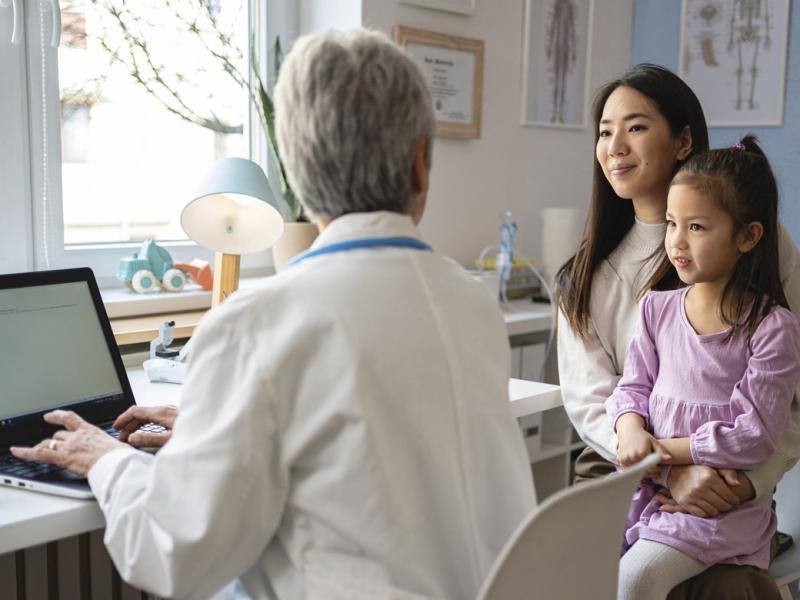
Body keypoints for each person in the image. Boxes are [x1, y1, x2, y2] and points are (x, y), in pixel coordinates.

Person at [12, 29, 536, 599]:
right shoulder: (472, 302)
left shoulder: (254, 323)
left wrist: (107, 459)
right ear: (420, 167)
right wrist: (218, 434)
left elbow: (172, 558)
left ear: (296, 169)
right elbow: (365, 451)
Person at [557, 63, 800, 599]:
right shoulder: (587, 277)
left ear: (684, 139)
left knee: (726, 588)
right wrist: (665, 472)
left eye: (636, 126)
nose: (615, 145)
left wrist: (745, 482)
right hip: (618, 471)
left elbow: (788, 397)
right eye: (604, 130)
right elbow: (596, 402)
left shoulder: (763, 246)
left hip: (731, 482)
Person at [607, 136, 800, 598]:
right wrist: (631, 430)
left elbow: (753, 435)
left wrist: (661, 452)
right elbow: (631, 387)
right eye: (672, 223)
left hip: (719, 510)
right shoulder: (656, 308)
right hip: (648, 496)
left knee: (637, 579)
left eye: (696, 226)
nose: (677, 240)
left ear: (749, 236)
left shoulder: (773, 329)